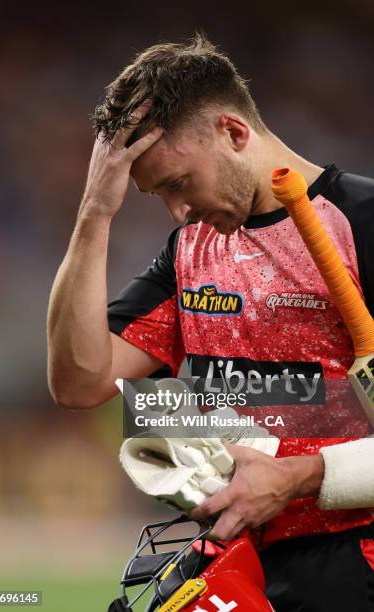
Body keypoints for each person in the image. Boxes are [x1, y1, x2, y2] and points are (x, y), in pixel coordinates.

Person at [47, 34, 374, 610]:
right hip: (229, 560)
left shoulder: (362, 224)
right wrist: (95, 212)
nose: (178, 211)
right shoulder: (187, 251)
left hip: (353, 563)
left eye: (177, 184)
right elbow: (78, 381)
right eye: (157, 196)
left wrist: (300, 476)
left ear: (233, 132)